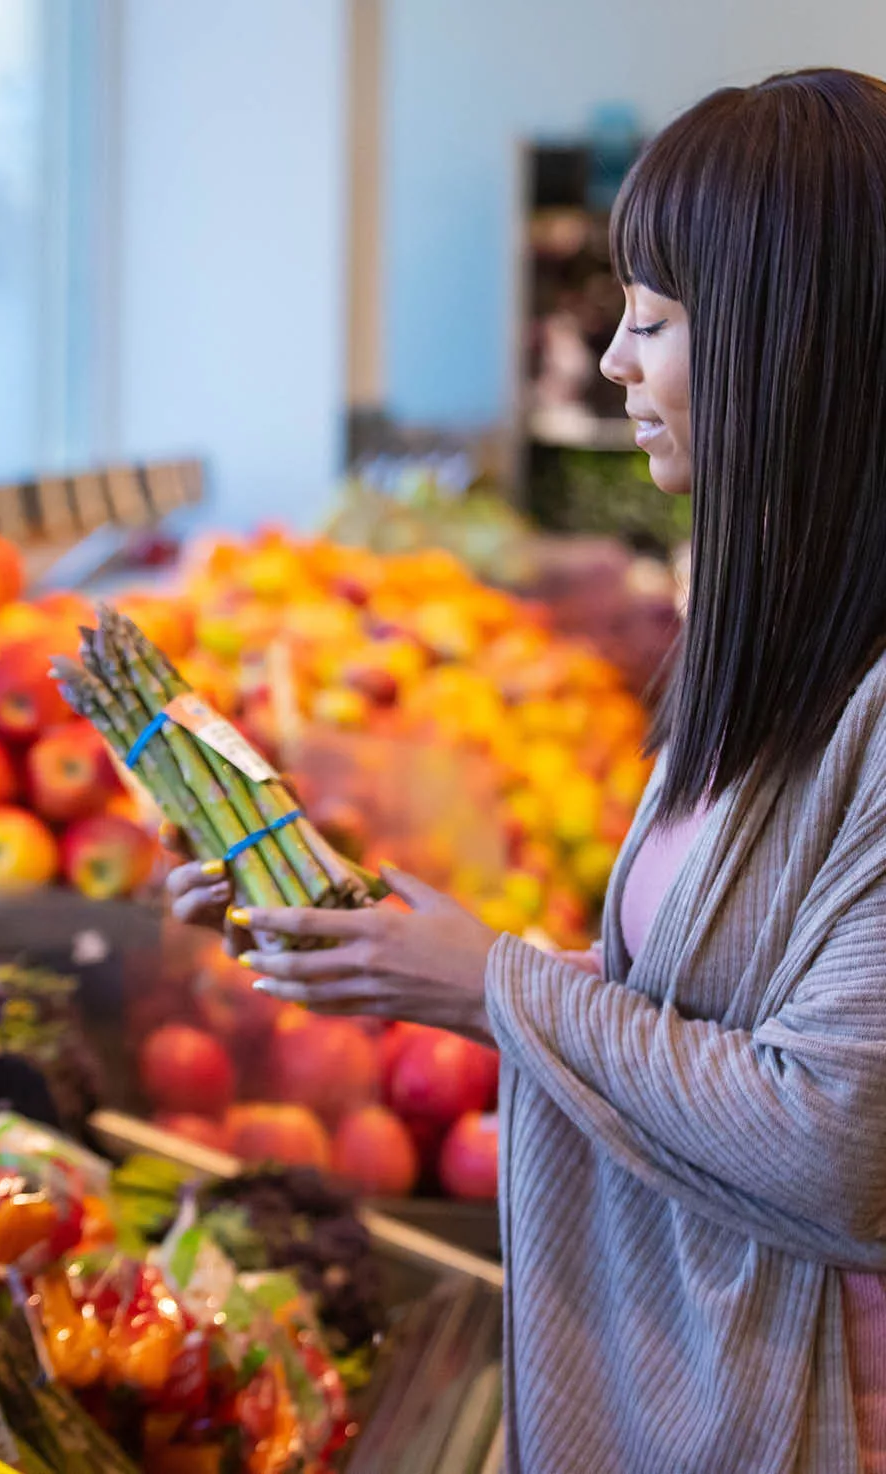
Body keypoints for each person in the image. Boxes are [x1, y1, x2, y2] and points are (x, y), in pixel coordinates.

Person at [166, 69, 886, 1474]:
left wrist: (488, 979)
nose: (616, 360)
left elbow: (837, 1141)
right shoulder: (777, 655)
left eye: (658, 320)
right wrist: (385, 938)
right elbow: (709, 1021)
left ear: (787, 348)